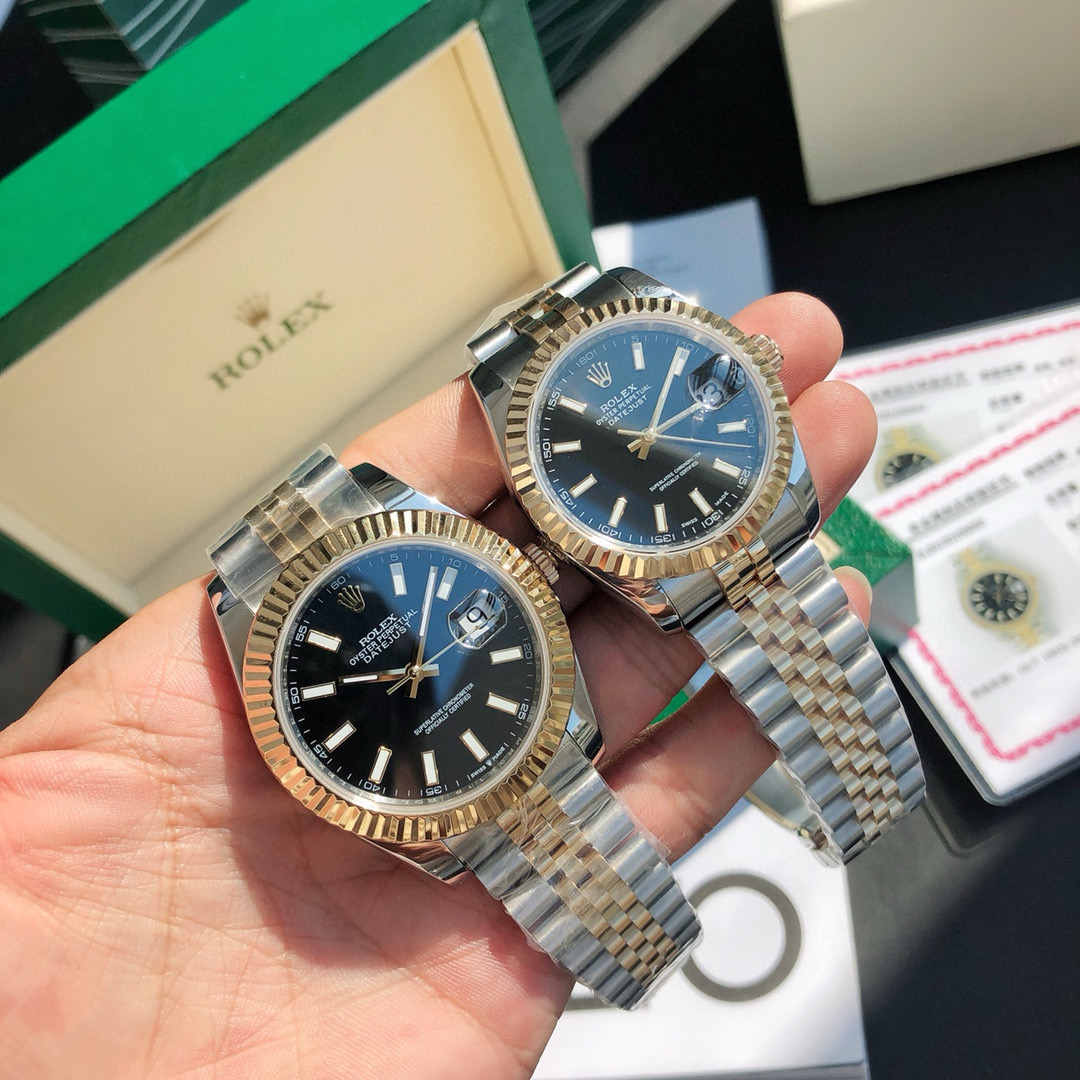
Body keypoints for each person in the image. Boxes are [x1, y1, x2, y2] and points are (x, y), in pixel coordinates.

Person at [0, 293, 874, 1078]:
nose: (418, 669)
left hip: (507, 719)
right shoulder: (284, 662)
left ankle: (724, 901)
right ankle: (658, 949)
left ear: (521, 565)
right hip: (461, 784)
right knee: (638, 933)